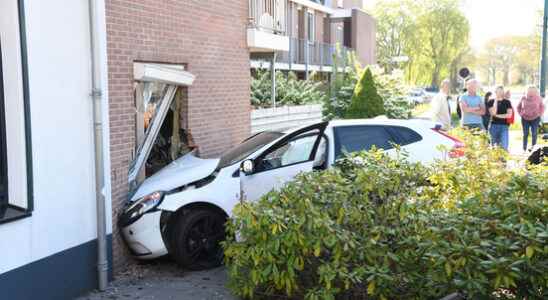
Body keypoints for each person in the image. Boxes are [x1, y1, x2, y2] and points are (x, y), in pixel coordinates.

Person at [517, 86, 545, 151]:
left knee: (534, 133)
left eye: (533, 91)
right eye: (529, 91)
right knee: (525, 133)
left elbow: (542, 107)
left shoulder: (538, 98)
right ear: (527, 91)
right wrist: (521, 114)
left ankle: (533, 148)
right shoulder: (523, 98)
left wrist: (539, 114)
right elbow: (518, 107)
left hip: (535, 118)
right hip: (525, 118)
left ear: (535, 92)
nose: (531, 93)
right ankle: (524, 148)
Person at [486, 86, 512, 151]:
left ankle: (503, 159)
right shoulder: (491, 101)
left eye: (501, 91)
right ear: (495, 92)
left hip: (504, 126)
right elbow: (493, 112)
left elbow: (509, 115)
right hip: (493, 126)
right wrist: (496, 101)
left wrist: (498, 116)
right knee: (494, 146)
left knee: (504, 145)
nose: (500, 93)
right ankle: (495, 160)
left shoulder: (507, 102)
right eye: (498, 91)